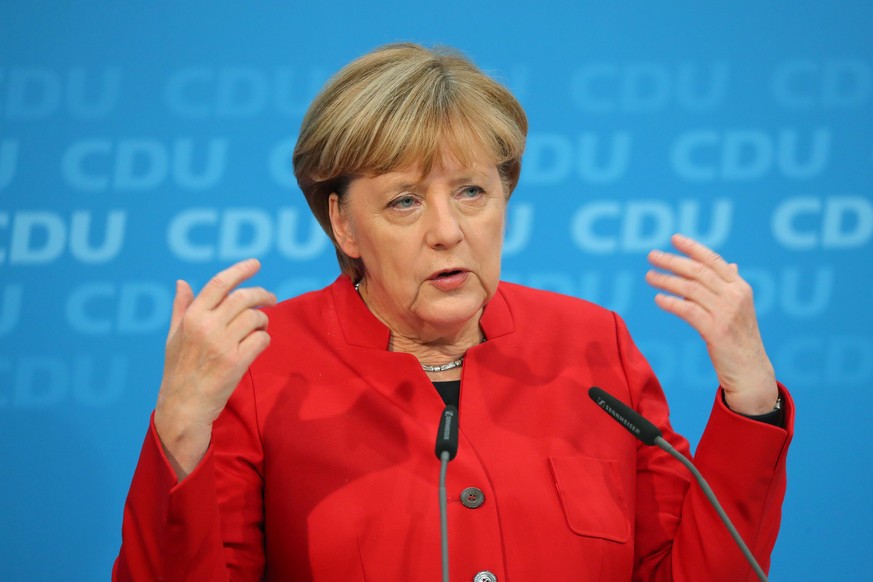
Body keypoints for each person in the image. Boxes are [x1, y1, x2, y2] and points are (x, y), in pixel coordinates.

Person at [113, 43, 792, 581]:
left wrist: (750, 399)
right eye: (404, 201)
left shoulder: (591, 345)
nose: (447, 230)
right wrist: (179, 431)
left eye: (471, 191)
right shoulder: (264, 369)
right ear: (343, 225)